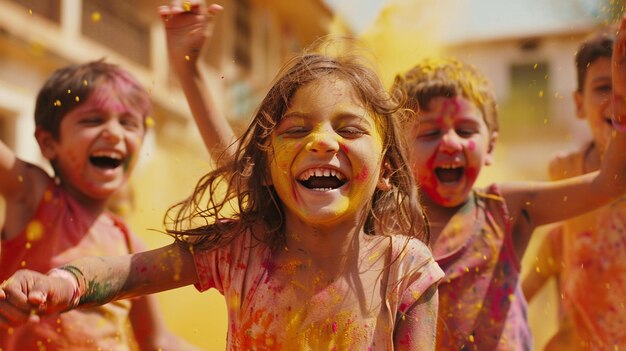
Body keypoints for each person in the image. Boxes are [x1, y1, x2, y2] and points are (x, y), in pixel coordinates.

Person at [0, 33, 445, 350]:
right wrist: (63, 284)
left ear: (386, 169)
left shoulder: (405, 268)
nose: (323, 142)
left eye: (349, 129)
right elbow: (128, 274)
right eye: (297, 129)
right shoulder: (239, 250)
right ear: (267, 170)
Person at [391, 14, 626, 350]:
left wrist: (621, 101)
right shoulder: (388, 228)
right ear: (399, 148)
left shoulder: (507, 209)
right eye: (430, 132)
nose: (451, 143)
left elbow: (611, 183)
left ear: (490, 146)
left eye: (467, 131)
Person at [0, 61, 201, 350]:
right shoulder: (35, 196)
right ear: (48, 142)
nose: (114, 134)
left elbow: (156, 340)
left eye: (129, 124)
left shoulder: (131, 246)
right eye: (92, 120)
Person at [521, 26, 626, 350]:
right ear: (579, 104)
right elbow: (560, 243)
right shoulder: (565, 171)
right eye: (603, 87)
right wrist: (511, 302)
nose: (618, 97)